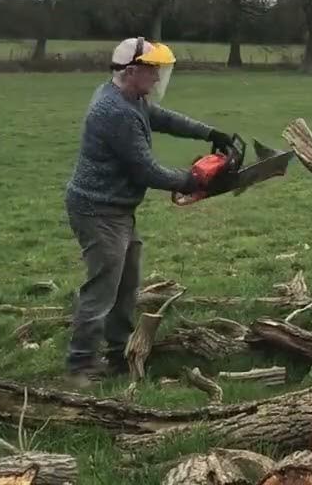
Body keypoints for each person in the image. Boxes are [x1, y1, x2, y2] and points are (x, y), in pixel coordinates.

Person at [63, 37, 234, 385]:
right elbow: (147, 171)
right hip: (98, 210)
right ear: (131, 71)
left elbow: (162, 118)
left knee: (127, 286)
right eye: (152, 71)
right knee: (102, 289)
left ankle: (117, 354)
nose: (157, 80)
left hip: (118, 209)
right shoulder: (115, 112)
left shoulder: (129, 98)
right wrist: (196, 181)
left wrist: (209, 132)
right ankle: (80, 365)